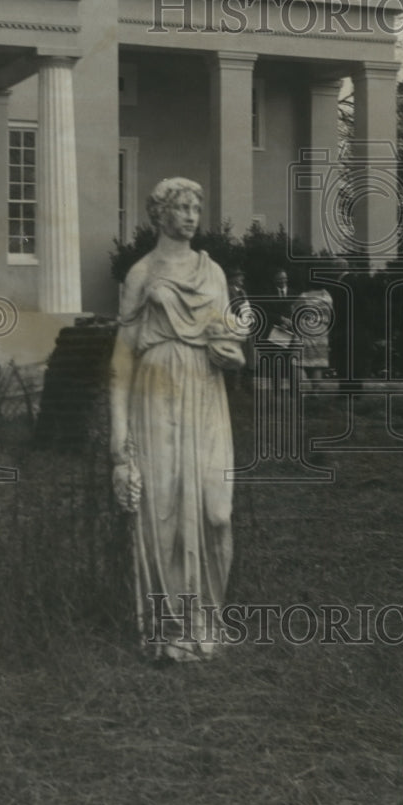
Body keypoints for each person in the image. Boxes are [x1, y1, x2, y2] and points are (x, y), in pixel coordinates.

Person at [109, 178, 244, 662]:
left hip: (206, 394)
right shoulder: (141, 274)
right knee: (163, 513)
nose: (190, 215)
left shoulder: (213, 273)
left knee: (216, 511)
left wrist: (230, 355)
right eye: (181, 207)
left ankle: (208, 618)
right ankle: (169, 629)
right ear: (159, 214)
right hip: (157, 393)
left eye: (195, 206)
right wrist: (119, 449)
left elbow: (228, 338)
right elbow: (122, 361)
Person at [291, 284, 334, 380]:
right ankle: (315, 391)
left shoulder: (304, 296)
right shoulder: (327, 297)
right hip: (321, 333)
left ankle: (303, 392)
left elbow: (294, 311)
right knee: (317, 364)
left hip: (305, 332)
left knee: (299, 362)